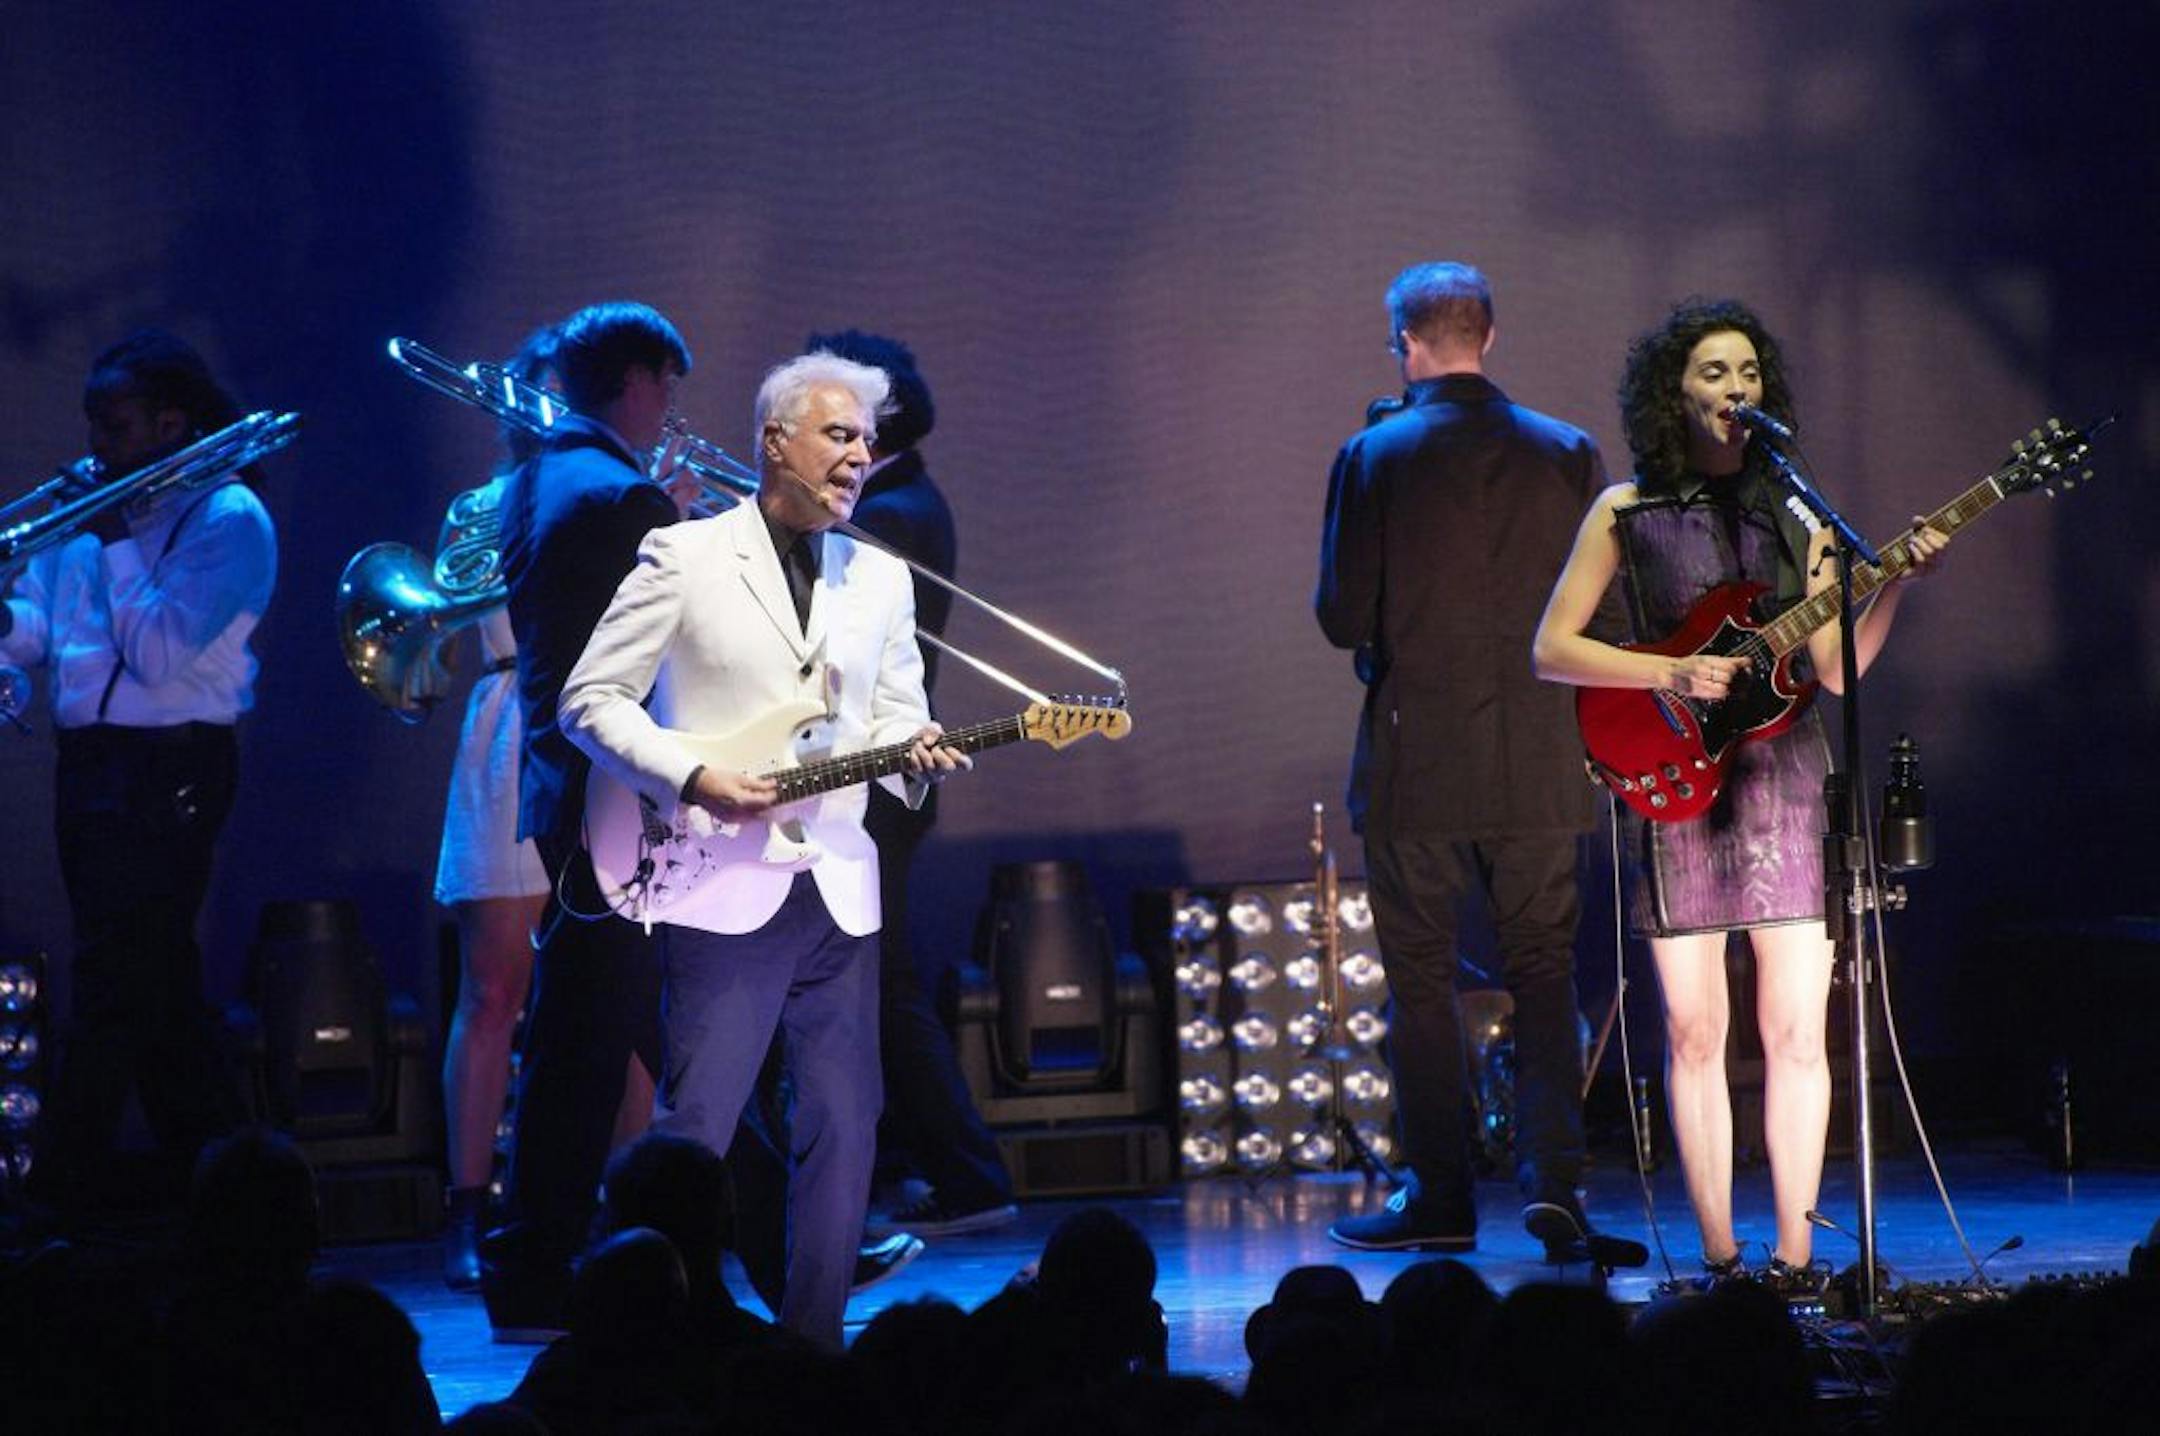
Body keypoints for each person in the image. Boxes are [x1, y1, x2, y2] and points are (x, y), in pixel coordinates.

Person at [1531, 297, 1947, 1289]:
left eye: (1749, 373)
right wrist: (1666, 673)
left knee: (1799, 1029)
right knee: (1694, 1028)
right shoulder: (1623, 510)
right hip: (1678, 783)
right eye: (1715, 373)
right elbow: (1552, 648)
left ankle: (1797, 1258)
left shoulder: (1796, 511)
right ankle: (1720, 1257)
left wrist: (1887, 584)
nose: (1735, 389)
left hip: (1787, 782)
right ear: (1673, 392)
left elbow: (1838, 672)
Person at [559, 350, 967, 1347]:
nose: (861, 455)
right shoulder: (684, 555)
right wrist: (694, 777)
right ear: (774, 439)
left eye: (869, 440)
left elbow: (899, 713)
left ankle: (813, 1343)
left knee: (846, 1125)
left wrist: (915, 757)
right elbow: (588, 699)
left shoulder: (878, 575)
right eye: (839, 434)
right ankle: (664, 1338)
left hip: (837, 885)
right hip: (719, 883)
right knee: (695, 1130)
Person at [1315, 262, 1617, 1260]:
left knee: (1420, 981)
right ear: (1490, 335)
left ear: (1403, 340)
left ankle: (1438, 1189)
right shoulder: (1569, 452)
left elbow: (1341, 616)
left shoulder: (1374, 452)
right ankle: (1557, 1185)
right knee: (1544, 973)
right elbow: (1600, 614)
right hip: (1541, 759)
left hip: (1419, 762)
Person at [4, 331, 277, 1213]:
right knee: (154, 984)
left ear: (170, 423)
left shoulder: (231, 519)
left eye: (114, 426)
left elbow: (158, 652)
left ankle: (59, 1193)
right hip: (89, 764)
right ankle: (225, 1190)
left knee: (116, 978)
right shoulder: (96, 519)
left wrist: (115, 540)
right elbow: (45, 637)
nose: (94, 447)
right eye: (91, 423)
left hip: (175, 765)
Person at [479, 300, 692, 1336]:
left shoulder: (535, 479)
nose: (669, 411)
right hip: (621, 802)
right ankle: (531, 1267)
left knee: (642, 1025)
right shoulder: (619, 492)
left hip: (576, 791)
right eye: (667, 388)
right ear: (638, 380)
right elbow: (687, 653)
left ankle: (781, 1218)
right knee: (586, 1043)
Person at [427, 326, 647, 1290]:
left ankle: (630, 1203)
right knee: (495, 987)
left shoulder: (620, 484)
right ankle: (470, 1213)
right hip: (513, 723)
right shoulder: (483, 507)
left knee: (620, 992)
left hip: (602, 726)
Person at [804, 328, 1017, 1236]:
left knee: (878, 983)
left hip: (875, 780)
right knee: (870, 979)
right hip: (884, 778)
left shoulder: (888, 511)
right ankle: (938, 1171)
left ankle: (967, 1178)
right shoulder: (898, 497)